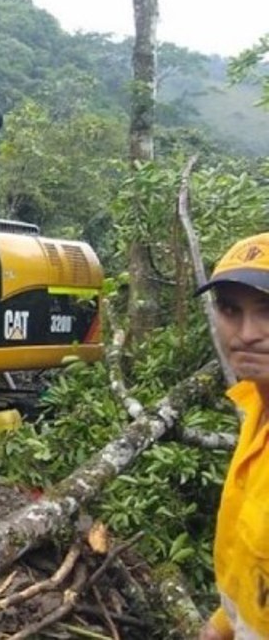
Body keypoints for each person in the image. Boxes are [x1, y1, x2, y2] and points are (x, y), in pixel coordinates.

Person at [196, 232, 269, 640]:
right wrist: (223, 624)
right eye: (230, 309)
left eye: (268, 309)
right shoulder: (255, 410)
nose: (246, 334)